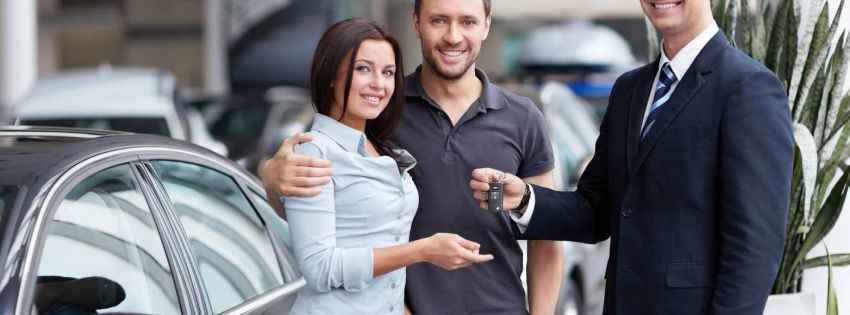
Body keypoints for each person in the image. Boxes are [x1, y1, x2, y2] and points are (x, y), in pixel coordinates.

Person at [469, 0, 794, 314]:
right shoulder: (629, 89)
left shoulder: (748, 87)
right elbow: (595, 210)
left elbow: (755, 245)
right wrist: (525, 199)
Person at [262, 0, 564, 314]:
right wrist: (270, 175)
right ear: (416, 23)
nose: (453, 36)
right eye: (439, 21)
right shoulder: (380, 107)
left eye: (468, 22)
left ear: (486, 25)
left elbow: (547, 234)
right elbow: (320, 215)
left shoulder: (523, 118)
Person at [284, 18, 493, 315]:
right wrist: (423, 250)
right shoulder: (314, 152)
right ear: (331, 74)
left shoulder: (383, 146)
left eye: (388, 72)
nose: (378, 84)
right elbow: (320, 268)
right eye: (363, 69)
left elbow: (386, 250)